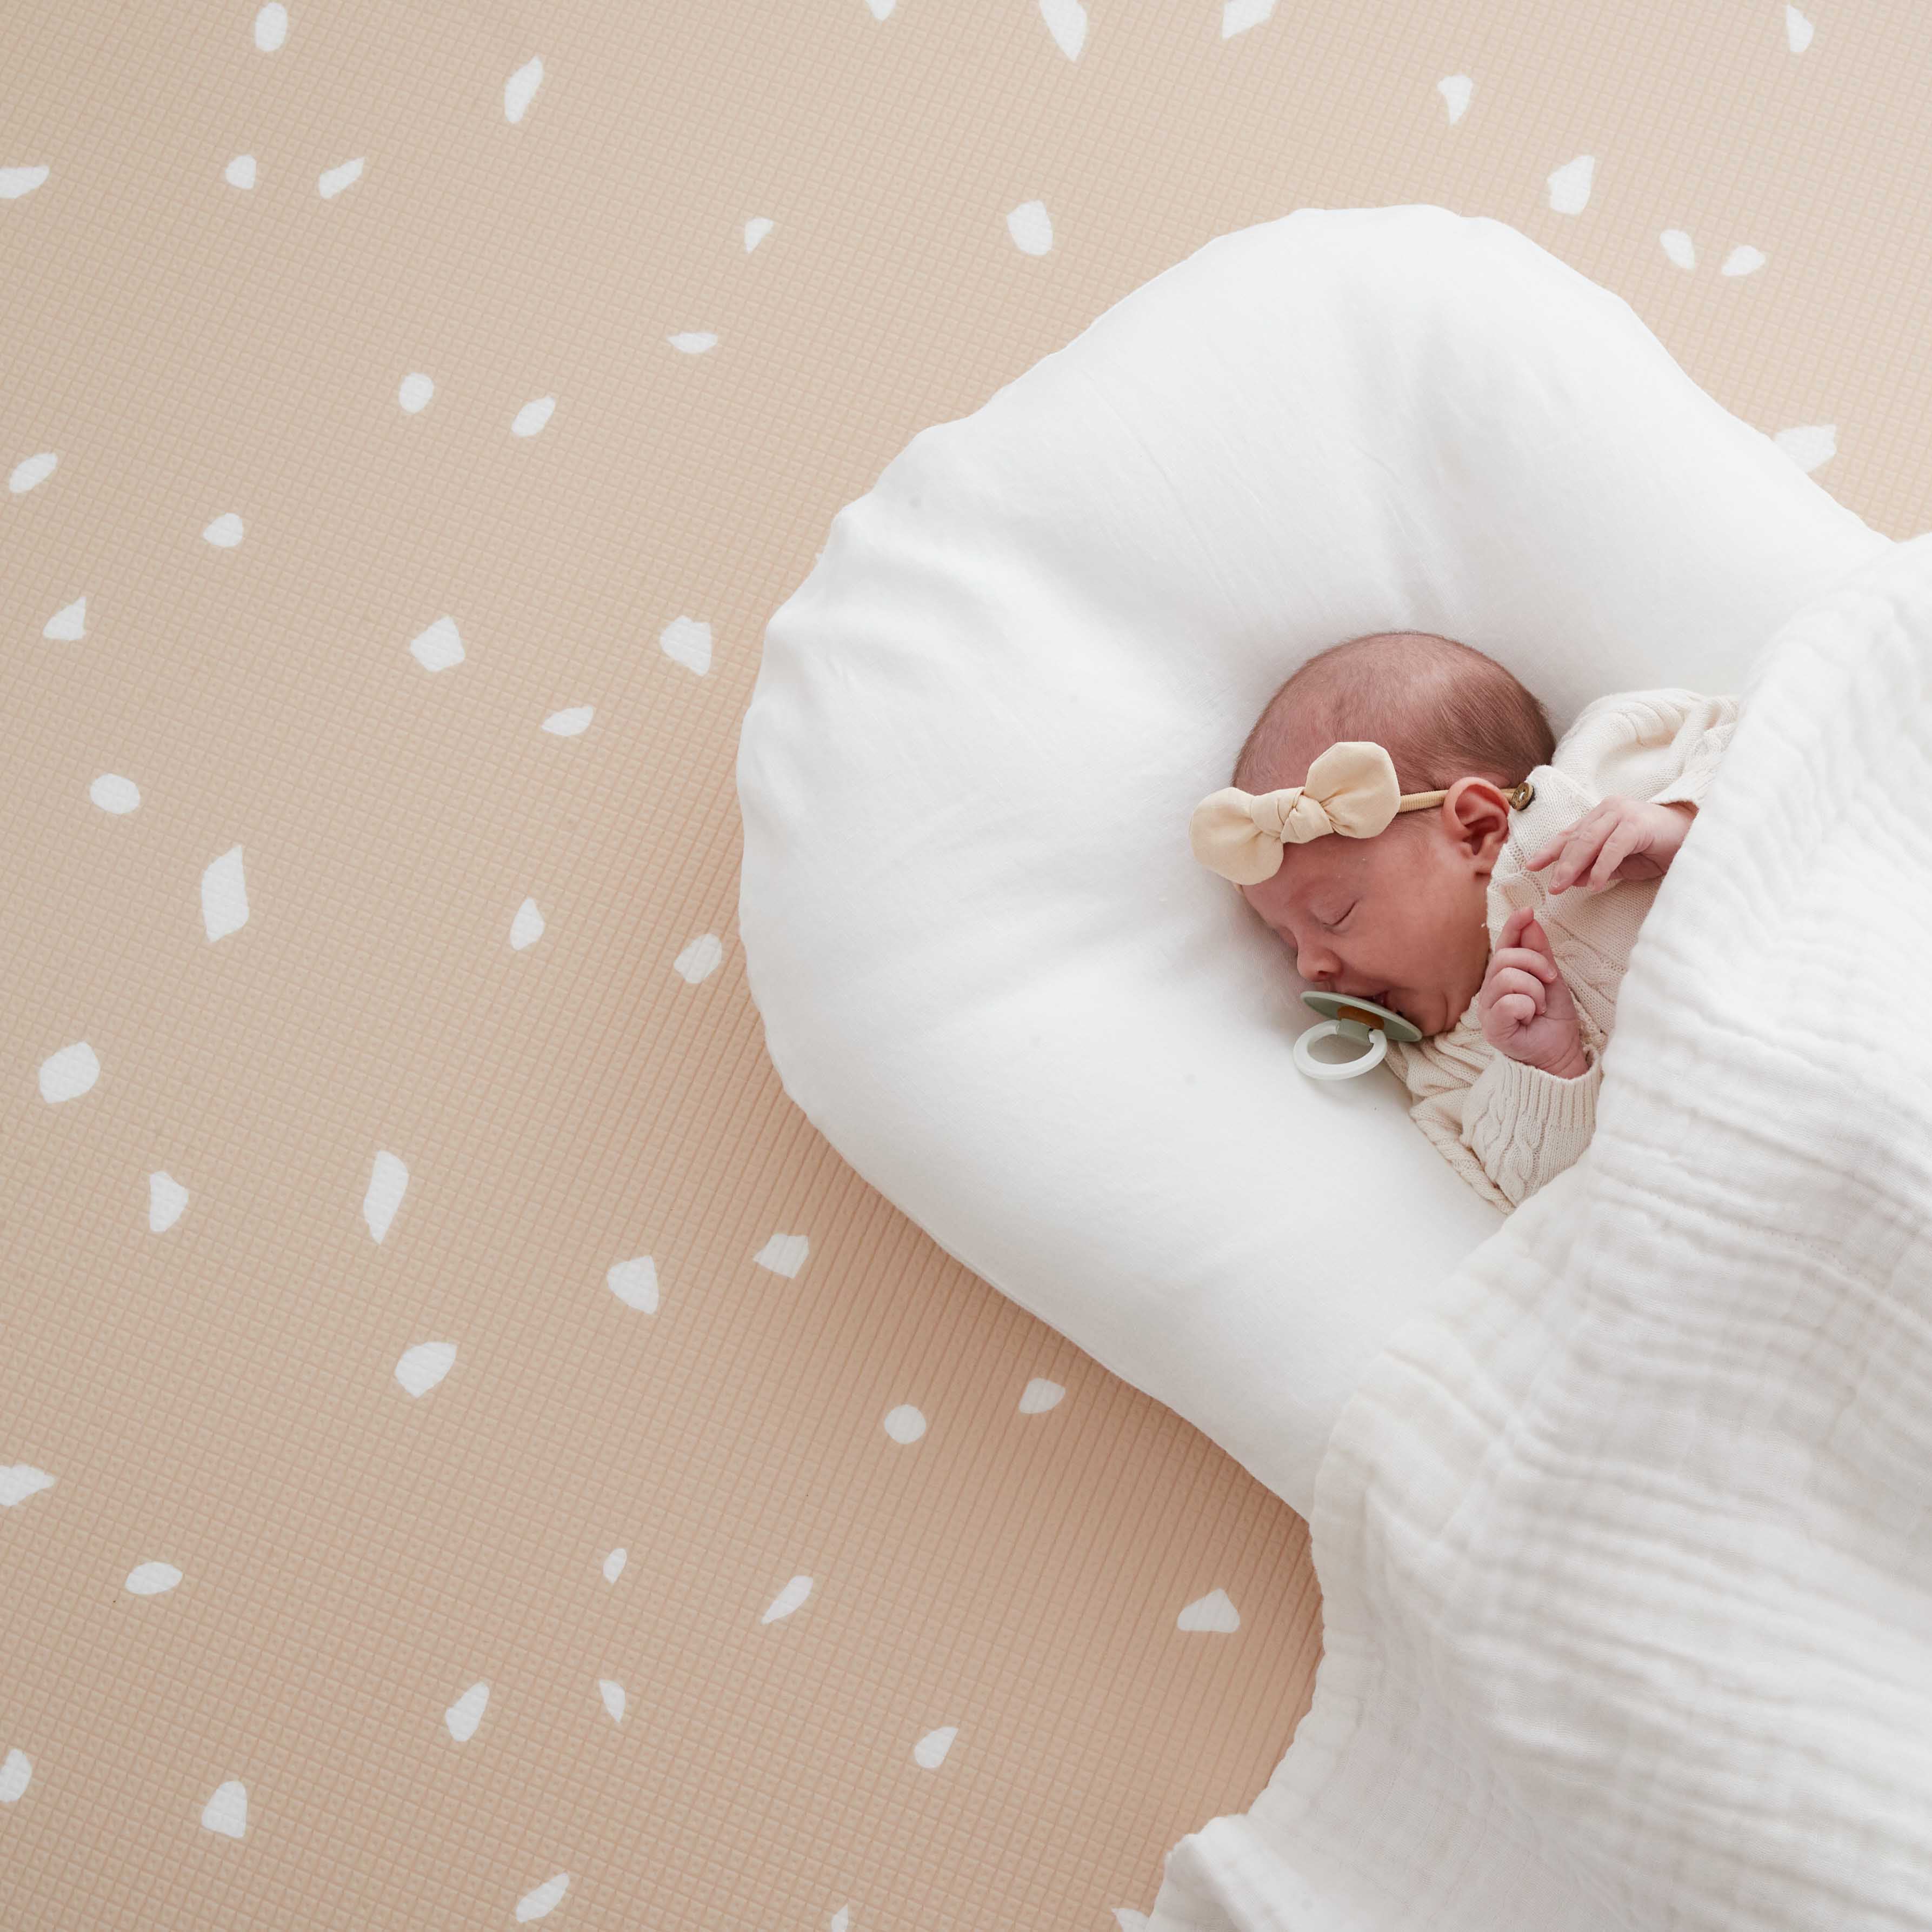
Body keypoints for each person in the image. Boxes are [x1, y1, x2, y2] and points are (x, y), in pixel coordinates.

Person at [1189, 631, 1739, 1211]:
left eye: (1334, 915)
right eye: (1286, 943)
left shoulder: (1600, 779)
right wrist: (1544, 1069)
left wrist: (1686, 822)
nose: (1309, 965)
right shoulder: (1443, 1071)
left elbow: (1786, 751)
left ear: (1476, 831)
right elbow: (1530, 1199)